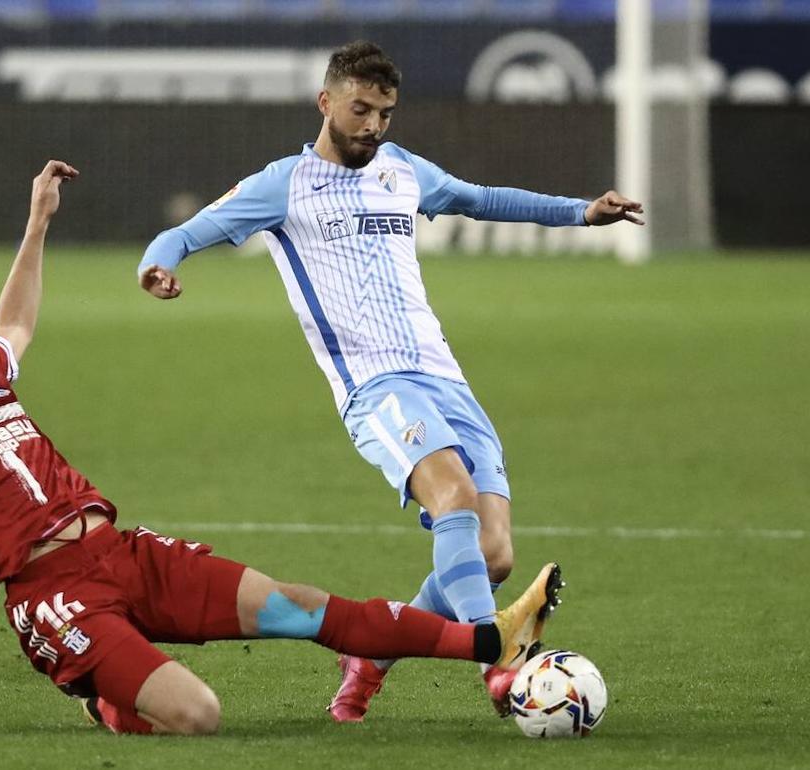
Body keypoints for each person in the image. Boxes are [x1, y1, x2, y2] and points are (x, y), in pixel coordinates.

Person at [0, 161, 562, 735]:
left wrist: (38, 221)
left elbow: (16, 315)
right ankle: (102, 696)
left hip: (119, 551)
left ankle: (486, 641)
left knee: (296, 604)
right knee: (200, 717)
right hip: (52, 597)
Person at [136, 41, 641, 723]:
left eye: (385, 113)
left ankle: (372, 656)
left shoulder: (402, 170)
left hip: (446, 380)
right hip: (375, 388)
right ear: (327, 103)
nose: (374, 125)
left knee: (492, 555)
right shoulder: (282, 185)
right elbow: (184, 233)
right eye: (361, 109)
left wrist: (580, 212)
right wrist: (157, 265)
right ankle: (497, 660)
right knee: (454, 499)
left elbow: (480, 198)